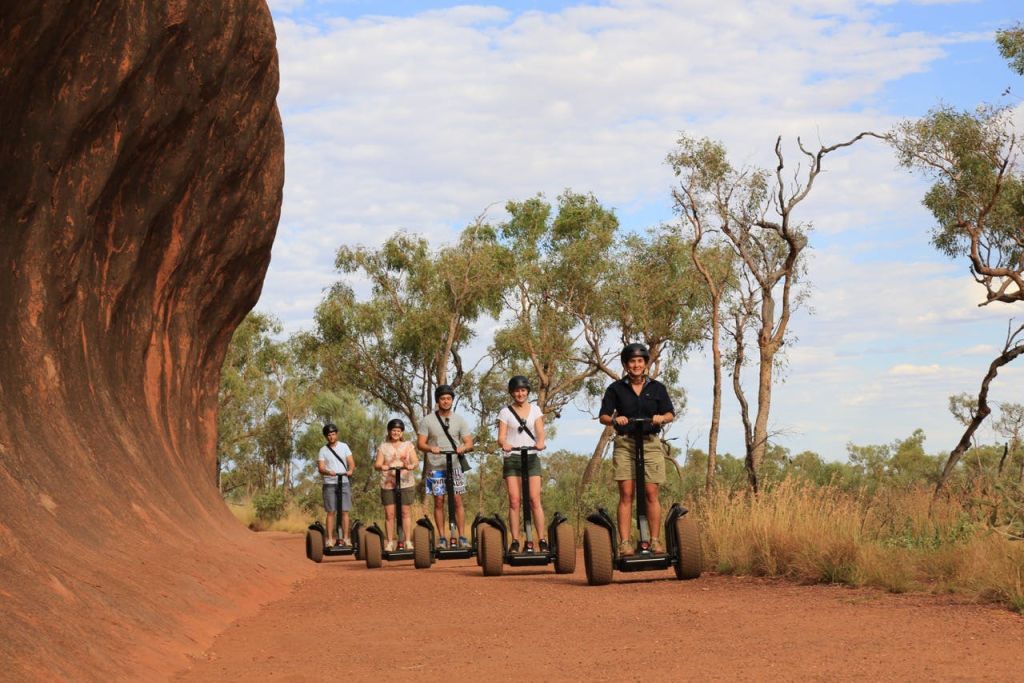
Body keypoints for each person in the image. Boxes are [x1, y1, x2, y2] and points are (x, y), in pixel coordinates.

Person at [598, 343, 675, 556]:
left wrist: (662, 417)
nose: (636, 365)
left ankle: (655, 540)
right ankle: (624, 542)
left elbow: (670, 413)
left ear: (646, 364)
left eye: (640, 361)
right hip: (626, 443)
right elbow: (603, 416)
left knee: (651, 492)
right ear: (626, 364)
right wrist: (615, 419)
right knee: (626, 493)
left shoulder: (657, 388)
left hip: (650, 443)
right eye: (632, 361)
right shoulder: (615, 389)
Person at [417, 384, 474, 547]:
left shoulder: (459, 420)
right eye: (443, 398)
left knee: (457, 501)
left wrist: (464, 447)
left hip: (455, 465)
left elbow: (469, 442)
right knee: (439, 501)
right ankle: (442, 538)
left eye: (449, 398)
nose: (446, 401)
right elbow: (420, 444)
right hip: (436, 467)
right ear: (438, 401)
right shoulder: (428, 420)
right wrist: (431, 448)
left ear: (452, 400)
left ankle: (462, 537)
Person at [496, 375, 547, 553]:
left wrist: (540, 442)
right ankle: (516, 541)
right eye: (517, 391)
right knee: (515, 501)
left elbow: (540, 432)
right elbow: (501, 436)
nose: (520, 393)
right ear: (512, 392)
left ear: (527, 392)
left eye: (523, 390)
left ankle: (541, 540)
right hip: (512, 458)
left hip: (531, 457)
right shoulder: (505, 412)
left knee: (534, 499)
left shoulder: (535, 410)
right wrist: (505, 444)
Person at [373, 418, 419, 552]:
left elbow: (415, 461)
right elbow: (377, 464)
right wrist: (383, 466)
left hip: (405, 483)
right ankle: (389, 543)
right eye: (393, 430)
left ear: (402, 432)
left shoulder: (408, 446)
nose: (396, 433)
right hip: (388, 484)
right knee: (389, 514)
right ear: (389, 431)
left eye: (398, 431)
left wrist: (411, 465)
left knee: (405, 513)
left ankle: (408, 541)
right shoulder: (383, 447)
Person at [317, 423, 356, 547]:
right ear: (326, 436)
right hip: (329, 483)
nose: (331, 437)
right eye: (329, 435)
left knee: (345, 511)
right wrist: (328, 472)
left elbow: (351, 463)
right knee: (331, 511)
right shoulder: (323, 450)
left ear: (336, 434)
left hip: (343, 482)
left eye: (333, 434)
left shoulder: (344, 446)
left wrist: (350, 471)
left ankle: (345, 538)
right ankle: (329, 539)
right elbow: (321, 468)